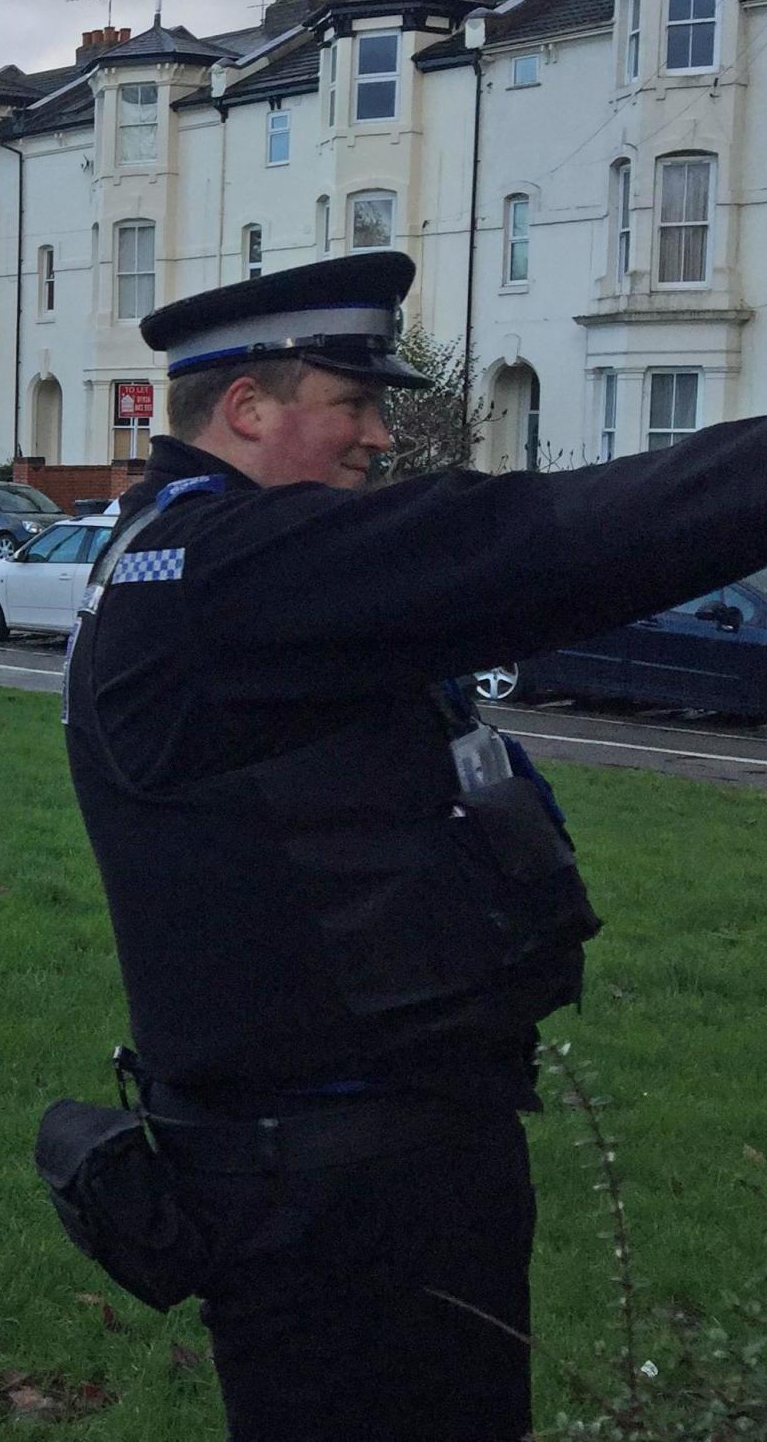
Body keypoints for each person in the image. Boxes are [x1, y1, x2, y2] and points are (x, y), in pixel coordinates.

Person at [56, 251, 767, 1441]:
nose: (379, 437)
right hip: (338, 1196)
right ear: (246, 410)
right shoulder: (226, 573)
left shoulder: (197, 559)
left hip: (358, 1164)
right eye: (353, 403)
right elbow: (536, 543)